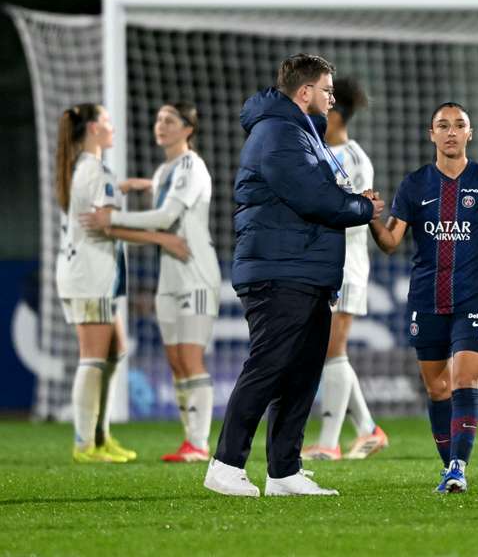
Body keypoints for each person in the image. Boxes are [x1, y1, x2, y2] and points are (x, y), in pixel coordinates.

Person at [203, 54, 382, 497]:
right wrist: (362, 207)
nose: (331, 97)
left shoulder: (302, 131)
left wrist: (349, 200)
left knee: (301, 372)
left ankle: (284, 470)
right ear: (304, 92)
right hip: (278, 269)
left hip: (305, 268)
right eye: (325, 88)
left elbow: (320, 193)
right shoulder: (280, 133)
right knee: (268, 366)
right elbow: (313, 198)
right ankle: (225, 464)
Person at [368, 102, 478, 493]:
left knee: (465, 378)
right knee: (437, 388)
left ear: (469, 133)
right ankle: (451, 469)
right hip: (427, 299)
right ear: (431, 134)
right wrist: (369, 217)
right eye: (442, 125)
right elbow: (391, 242)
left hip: (474, 298)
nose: (450, 131)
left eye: (458, 125)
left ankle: (459, 467)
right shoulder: (414, 185)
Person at [81, 102, 220, 463]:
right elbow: (158, 190)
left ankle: (200, 443)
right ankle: (190, 440)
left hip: (197, 274)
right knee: (175, 361)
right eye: (159, 119)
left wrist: (112, 219)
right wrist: (132, 186)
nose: (161, 125)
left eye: (170, 121)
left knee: (191, 358)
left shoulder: (192, 165)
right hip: (169, 277)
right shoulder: (166, 171)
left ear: (188, 129)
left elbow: (166, 215)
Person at [56, 103, 186, 463]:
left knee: (115, 351)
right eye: (108, 121)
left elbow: (100, 215)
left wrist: (123, 186)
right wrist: (163, 238)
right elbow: (107, 225)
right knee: (93, 358)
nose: (113, 126)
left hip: (95, 271)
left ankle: (101, 436)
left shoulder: (86, 169)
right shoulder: (95, 171)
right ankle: (85, 444)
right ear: (94, 129)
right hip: (90, 274)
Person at [301, 78, 389, 461]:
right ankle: (369, 429)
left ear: (334, 115)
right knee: (329, 351)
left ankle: (328, 442)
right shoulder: (317, 151)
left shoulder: (354, 158)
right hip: (322, 262)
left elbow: (359, 214)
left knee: (332, 351)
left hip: (347, 264)